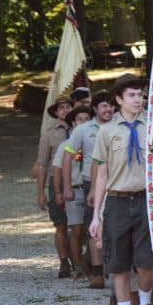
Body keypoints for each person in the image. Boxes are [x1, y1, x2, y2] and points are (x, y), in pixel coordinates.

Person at [89, 77, 153, 305]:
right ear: (118, 99)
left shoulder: (152, 127)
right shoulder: (107, 131)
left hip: (145, 199)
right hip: (117, 201)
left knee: (145, 262)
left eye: (139, 94)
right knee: (118, 264)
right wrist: (97, 214)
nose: (137, 99)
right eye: (131, 95)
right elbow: (102, 173)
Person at [63, 88, 117, 290]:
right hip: (90, 184)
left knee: (114, 229)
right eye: (104, 105)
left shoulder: (119, 126)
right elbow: (68, 157)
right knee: (95, 228)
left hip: (117, 182)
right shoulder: (83, 130)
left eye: (111, 105)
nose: (108, 109)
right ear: (95, 108)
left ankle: (112, 269)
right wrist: (67, 186)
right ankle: (96, 271)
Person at [35, 94, 73, 278]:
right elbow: (42, 164)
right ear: (56, 112)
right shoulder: (49, 135)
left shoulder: (80, 130)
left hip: (77, 181)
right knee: (60, 224)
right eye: (62, 108)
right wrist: (40, 192)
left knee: (79, 224)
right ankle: (64, 261)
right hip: (56, 181)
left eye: (68, 107)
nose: (66, 110)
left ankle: (79, 259)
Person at [52, 106, 92, 278]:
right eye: (79, 119)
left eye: (87, 118)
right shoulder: (66, 146)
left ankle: (91, 261)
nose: (83, 122)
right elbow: (57, 170)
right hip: (75, 190)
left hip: (91, 188)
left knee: (92, 229)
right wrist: (59, 192)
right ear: (73, 123)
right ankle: (77, 265)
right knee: (77, 229)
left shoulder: (95, 142)